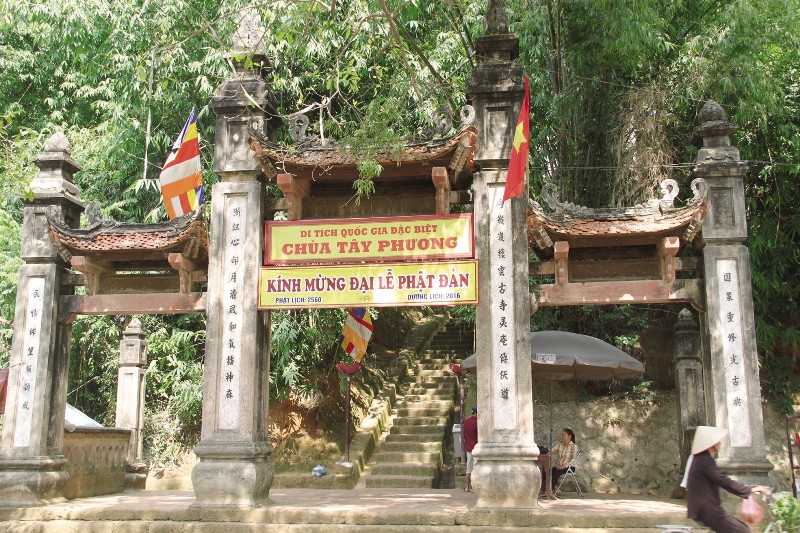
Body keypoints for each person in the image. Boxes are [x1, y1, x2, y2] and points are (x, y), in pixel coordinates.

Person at [681, 426, 769, 532]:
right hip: (707, 509)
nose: (720, 444)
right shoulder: (704, 460)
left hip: (706, 508)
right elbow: (723, 480)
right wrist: (750, 490)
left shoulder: (702, 459)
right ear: (711, 445)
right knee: (742, 531)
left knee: (740, 527)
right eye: (718, 442)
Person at [463, 406, 478, 492]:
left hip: (469, 447)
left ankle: (466, 486)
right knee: (475, 467)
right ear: (476, 413)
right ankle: (473, 487)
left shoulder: (466, 422)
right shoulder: (477, 423)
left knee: (468, 468)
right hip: (476, 447)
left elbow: (464, 436)